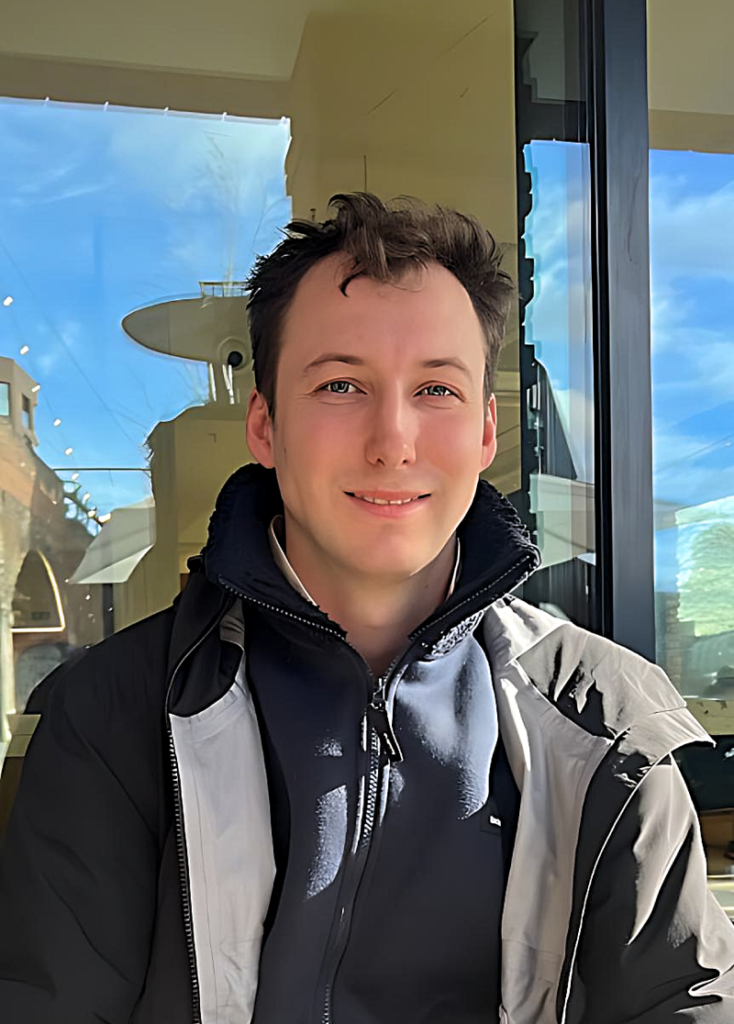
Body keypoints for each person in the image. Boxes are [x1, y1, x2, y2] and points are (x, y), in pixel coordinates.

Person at [1, 193, 733, 1024]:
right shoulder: (115, 716)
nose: (394, 438)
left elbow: (684, 1002)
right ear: (266, 426)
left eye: (437, 389)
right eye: (342, 384)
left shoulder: (603, 721)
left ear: (487, 432)